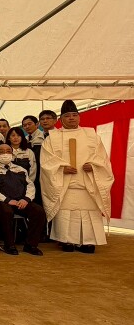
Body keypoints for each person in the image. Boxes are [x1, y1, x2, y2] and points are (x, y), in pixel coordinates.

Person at [40, 100, 114, 253]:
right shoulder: (52, 138)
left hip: (87, 181)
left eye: (74, 115)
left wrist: (93, 166)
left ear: (79, 117)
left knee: (89, 213)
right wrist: (61, 169)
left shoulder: (91, 135)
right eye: (67, 116)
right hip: (65, 184)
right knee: (65, 213)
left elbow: (102, 157)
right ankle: (66, 241)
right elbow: (47, 161)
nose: (71, 118)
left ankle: (89, 242)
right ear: (61, 119)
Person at [0, 144, 46, 255]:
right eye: (1, 151)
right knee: (7, 212)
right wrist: (7, 200)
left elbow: (30, 185)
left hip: (21, 201)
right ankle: (9, 245)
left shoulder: (21, 169)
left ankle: (31, 245)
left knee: (38, 211)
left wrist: (26, 199)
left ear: (12, 154)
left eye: (8, 151)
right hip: (3, 201)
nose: (5, 153)